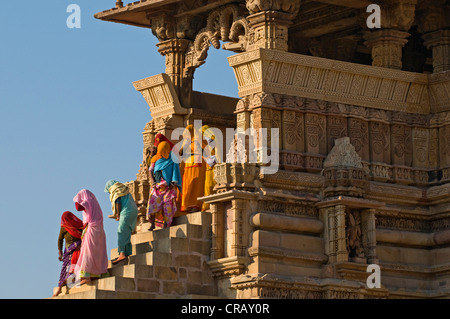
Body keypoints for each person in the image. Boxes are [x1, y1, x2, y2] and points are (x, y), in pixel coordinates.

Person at [73, 189, 109, 285]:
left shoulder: (87, 202)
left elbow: (77, 207)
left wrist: (79, 199)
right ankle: (96, 274)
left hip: (91, 231)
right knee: (96, 253)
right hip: (100, 231)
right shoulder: (95, 203)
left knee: (88, 253)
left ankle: (86, 277)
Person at [147, 141, 182, 230]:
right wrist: (153, 182)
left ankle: (166, 223)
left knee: (168, 205)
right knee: (153, 204)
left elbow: (175, 171)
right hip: (157, 187)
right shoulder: (155, 158)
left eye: (163, 150)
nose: (162, 152)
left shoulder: (172, 158)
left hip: (168, 187)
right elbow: (150, 170)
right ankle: (152, 224)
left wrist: (173, 182)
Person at [104, 179, 139, 264]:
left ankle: (122, 253)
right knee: (126, 231)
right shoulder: (123, 188)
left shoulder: (116, 190)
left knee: (121, 231)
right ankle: (126, 252)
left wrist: (118, 214)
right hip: (133, 211)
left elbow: (118, 202)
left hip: (126, 212)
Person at [53, 211, 83, 297]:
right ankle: (59, 288)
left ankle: (74, 280)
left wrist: (80, 244)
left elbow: (84, 234)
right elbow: (60, 239)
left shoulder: (77, 225)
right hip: (68, 251)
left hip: (78, 249)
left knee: (73, 267)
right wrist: (60, 252)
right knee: (64, 270)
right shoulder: (64, 227)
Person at [180, 124, 206, 213]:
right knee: (188, 186)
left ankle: (196, 205)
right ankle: (188, 205)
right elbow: (181, 153)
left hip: (197, 165)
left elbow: (204, 152)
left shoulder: (197, 141)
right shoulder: (187, 143)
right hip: (188, 166)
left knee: (196, 185)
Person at [201, 125, 218, 212]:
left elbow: (217, 155)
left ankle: (211, 206)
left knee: (212, 186)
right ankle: (207, 205)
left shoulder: (213, 142)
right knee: (208, 186)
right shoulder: (206, 144)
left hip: (214, 167)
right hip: (209, 168)